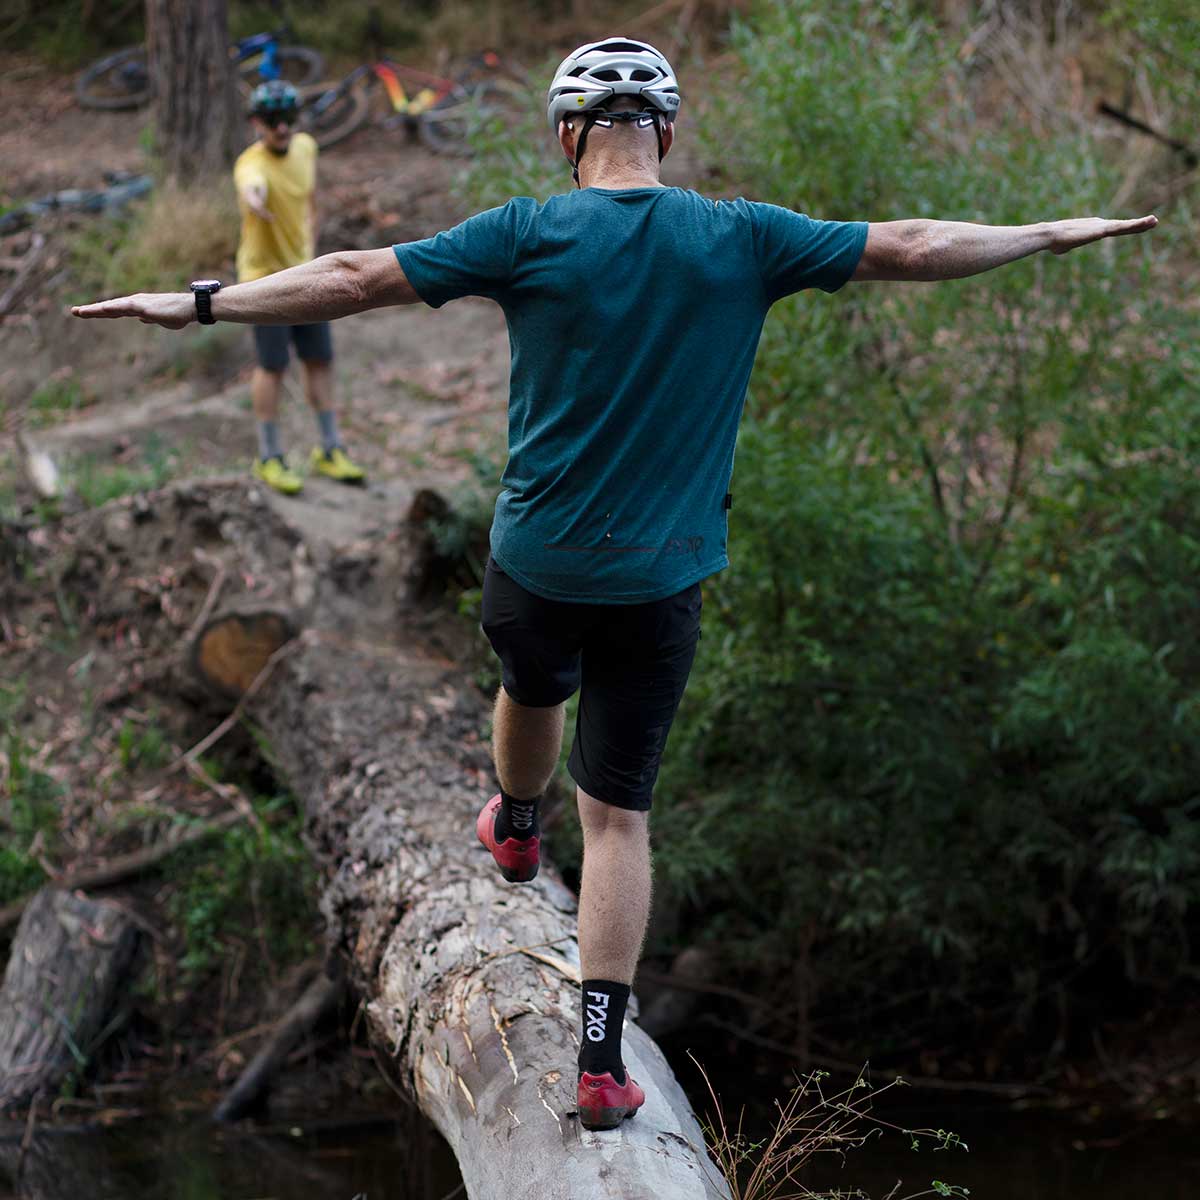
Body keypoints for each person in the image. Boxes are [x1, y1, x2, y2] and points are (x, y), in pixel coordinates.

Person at [73, 36, 1157, 1133]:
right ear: (669, 135)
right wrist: (1048, 233)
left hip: (538, 562)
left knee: (531, 687)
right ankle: (599, 1065)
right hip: (661, 581)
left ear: (565, 137)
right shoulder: (744, 235)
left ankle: (514, 819)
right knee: (624, 820)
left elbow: (354, 278)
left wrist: (204, 301)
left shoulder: (526, 230)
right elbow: (918, 245)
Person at [234, 79, 366, 494]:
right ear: (257, 122)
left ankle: (329, 448)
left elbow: (308, 196)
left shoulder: (306, 148)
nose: (282, 127)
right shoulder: (249, 163)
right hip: (264, 281)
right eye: (273, 120)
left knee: (319, 359)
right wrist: (255, 199)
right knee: (272, 366)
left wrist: (311, 231)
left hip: (305, 274)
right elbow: (251, 183)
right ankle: (269, 456)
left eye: (288, 117)